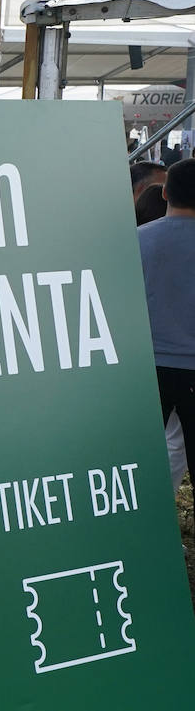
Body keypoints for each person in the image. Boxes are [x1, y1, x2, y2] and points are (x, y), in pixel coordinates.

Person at [138, 158, 195, 493]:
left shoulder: (137, 239)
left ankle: (143, 533)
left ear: (163, 195)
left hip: (146, 367)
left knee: (139, 456)